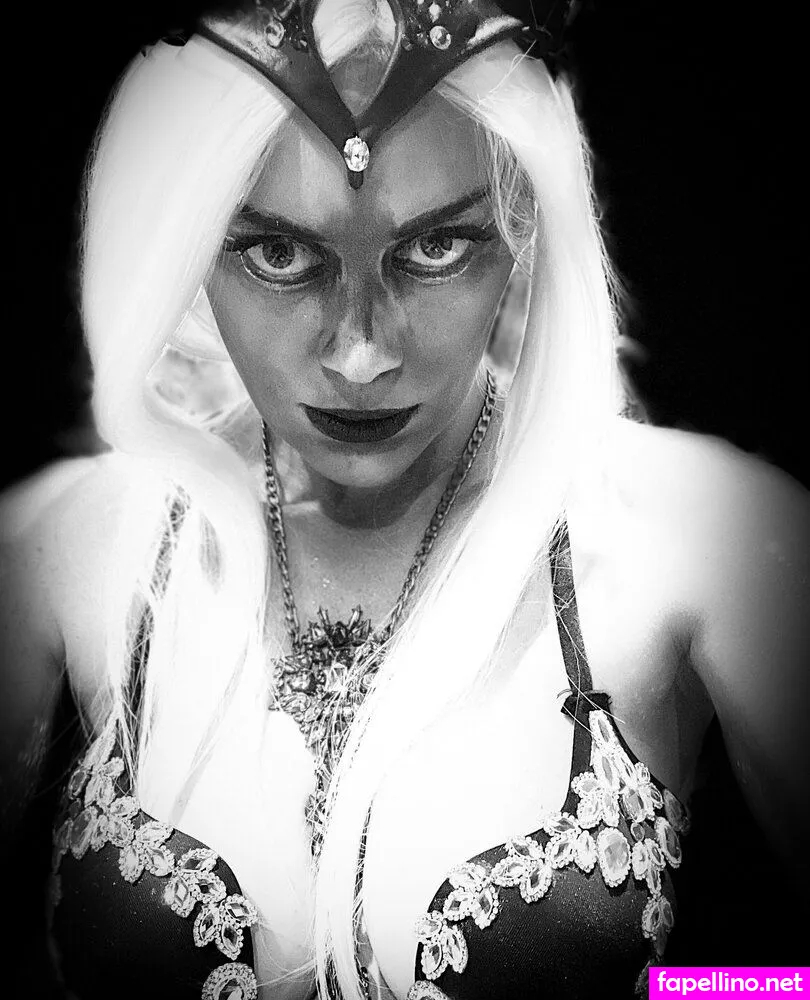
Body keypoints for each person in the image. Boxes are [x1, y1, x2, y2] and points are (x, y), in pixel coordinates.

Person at [1, 1, 808, 998]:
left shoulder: (697, 537)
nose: (361, 353)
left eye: (435, 249)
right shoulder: (74, 549)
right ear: (188, 243)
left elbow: (790, 978)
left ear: (521, 223)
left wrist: (704, 990)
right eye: (281, 255)